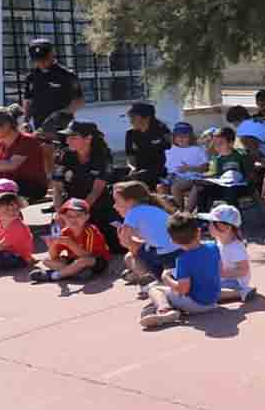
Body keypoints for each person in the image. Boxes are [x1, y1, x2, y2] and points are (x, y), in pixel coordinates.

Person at [139, 212, 222, 329]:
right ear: (198, 232)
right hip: (214, 299)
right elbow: (219, 270)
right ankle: (171, 306)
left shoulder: (183, 259)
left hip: (198, 305)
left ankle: (165, 311)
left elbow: (183, 289)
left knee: (155, 289)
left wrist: (165, 278)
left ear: (174, 241)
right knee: (172, 291)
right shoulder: (213, 247)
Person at [51, 120, 122, 251]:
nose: (68, 141)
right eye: (68, 137)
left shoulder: (102, 156)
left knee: (116, 245)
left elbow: (96, 190)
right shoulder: (64, 155)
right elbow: (57, 188)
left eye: (73, 137)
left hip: (97, 205)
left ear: (88, 138)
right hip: (70, 206)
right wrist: (60, 213)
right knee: (63, 243)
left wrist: (79, 215)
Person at [114, 181, 179, 290]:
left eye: (117, 201)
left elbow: (126, 241)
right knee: (132, 254)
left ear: (130, 201)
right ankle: (152, 278)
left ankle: (152, 281)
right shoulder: (151, 208)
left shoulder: (133, 212)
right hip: (177, 249)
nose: (114, 205)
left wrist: (121, 234)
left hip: (167, 254)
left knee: (132, 255)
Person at [29, 198, 110, 284]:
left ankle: (53, 275)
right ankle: (75, 272)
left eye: (78, 215)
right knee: (46, 261)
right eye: (69, 216)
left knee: (83, 261)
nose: (73, 219)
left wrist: (70, 243)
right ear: (63, 217)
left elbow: (87, 255)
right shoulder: (65, 231)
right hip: (75, 260)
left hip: (95, 261)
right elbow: (54, 257)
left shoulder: (90, 231)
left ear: (87, 217)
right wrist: (52, 246)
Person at [0, 105, 48, 200]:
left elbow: (11, 165)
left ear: (6, 125)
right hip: (7, 184)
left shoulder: (27, 141)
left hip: (31, 186)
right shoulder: (0, 145)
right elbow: (0, 169)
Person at [22, 38, 84, 132]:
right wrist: (25, 121)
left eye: (44, 59)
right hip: (39, 128)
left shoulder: (66, 75)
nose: (41, 62)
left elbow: (79, 101)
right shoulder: (31, 77)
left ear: (51, 55)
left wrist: (62, 114)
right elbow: (28, 101)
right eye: (37, 60)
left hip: (63, 129)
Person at [198, 204, 256, 303]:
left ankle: (241, 292)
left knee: (208, 293)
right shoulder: (219, 240)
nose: (209, 226)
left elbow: (243, 270)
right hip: (223, 279)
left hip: (235, 282)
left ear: (227, 227)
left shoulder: (236, 248)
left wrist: (222, 273)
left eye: (213, 223)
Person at [192, 127, 252, 212]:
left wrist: (241, 180)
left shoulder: (240, 155)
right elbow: (219, 175)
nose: (217, 147)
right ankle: (202, 216)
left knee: (230, 190)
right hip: (224, 184)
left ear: (231, 143)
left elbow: (249, 174)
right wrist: (205, 179)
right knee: (202, 188)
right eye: (215, 143)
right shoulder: (219, 159)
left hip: (239, 186)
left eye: (220, 143)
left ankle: (231, 215)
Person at [161, 122, 207, 211]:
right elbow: (169, 167)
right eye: (178, 136)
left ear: (190, 137)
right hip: (175, 177)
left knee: (175, 187)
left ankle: (182, 212)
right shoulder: (171, 150)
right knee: (161, 187)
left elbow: (205, 168)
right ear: (174, 137)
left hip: (193, 177)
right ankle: (171, 211)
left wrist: (189, 168)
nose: (181, 138)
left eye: (185, 136)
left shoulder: (197, 149)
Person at [124, 101, 171, 188]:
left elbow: (171, 154)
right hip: (139, 171)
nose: (131, 121)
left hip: (161, 171)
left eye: (133, 117)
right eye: (130, 117)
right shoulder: (130, 134)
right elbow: (130, 157)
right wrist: (133, 168)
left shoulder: (162, 131)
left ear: (147, 117)